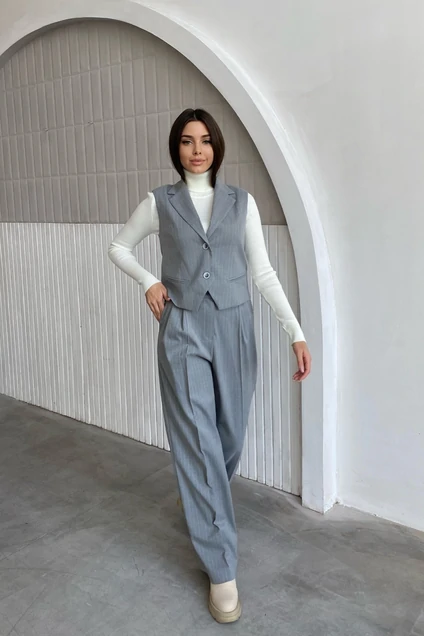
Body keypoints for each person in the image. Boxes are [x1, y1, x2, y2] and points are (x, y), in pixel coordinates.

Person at [108, 108, 311, 623]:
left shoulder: (242, 203)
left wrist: (296, 332)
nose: (196, 150)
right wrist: (149, 281)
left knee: (228, 436)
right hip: (182, 328)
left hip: (235, 327)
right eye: (186, 141)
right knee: (200, 443)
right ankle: (222, 570)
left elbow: (262, 272)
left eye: (204, 140)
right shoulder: (159, 202)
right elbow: (119, 247)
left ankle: (200, 498)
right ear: (176, 149)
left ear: (216, 146)